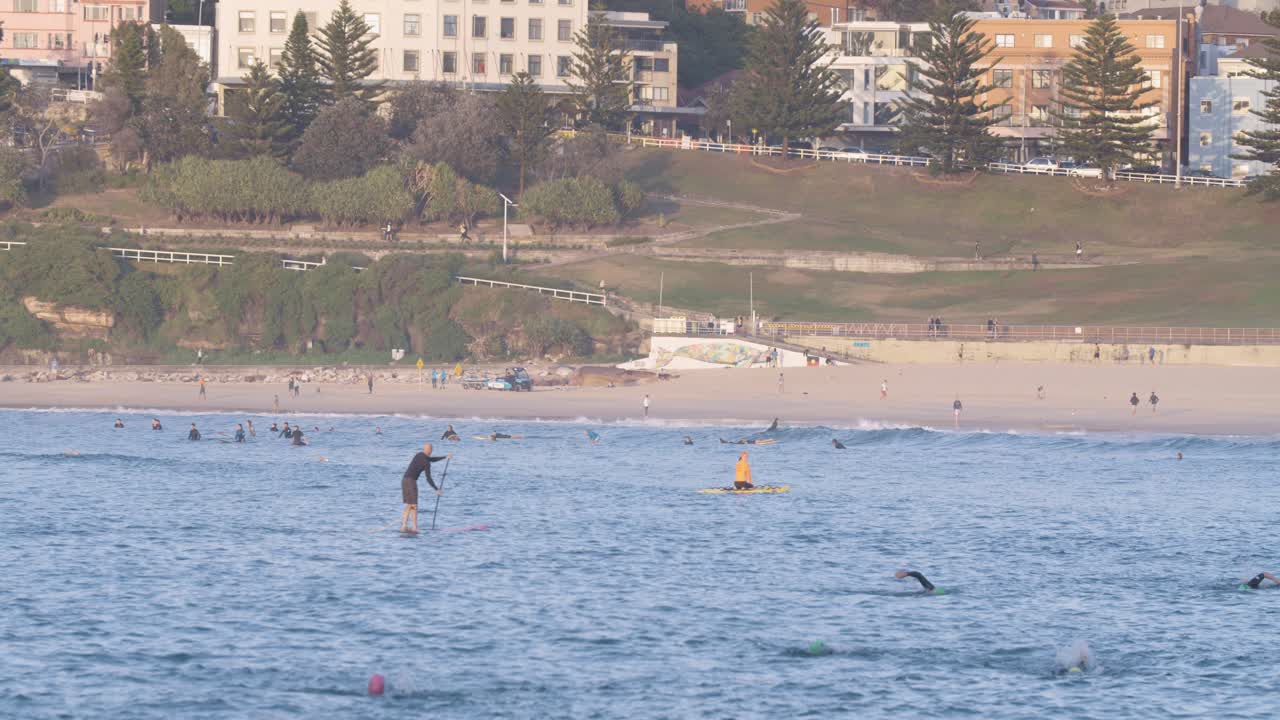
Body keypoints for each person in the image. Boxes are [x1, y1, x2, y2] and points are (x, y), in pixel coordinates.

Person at [400, 443, 451, 533]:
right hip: (411, 482)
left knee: (409, 504)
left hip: (404, 480)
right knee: (414, 505)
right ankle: (415, 527)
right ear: (430, 450)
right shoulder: (426, 463)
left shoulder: (418, 454)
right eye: (431, 450)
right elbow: (428, 478)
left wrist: (445, 457)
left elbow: (431, 459)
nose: (431, 452)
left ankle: (404, 526)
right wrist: (436, 489)